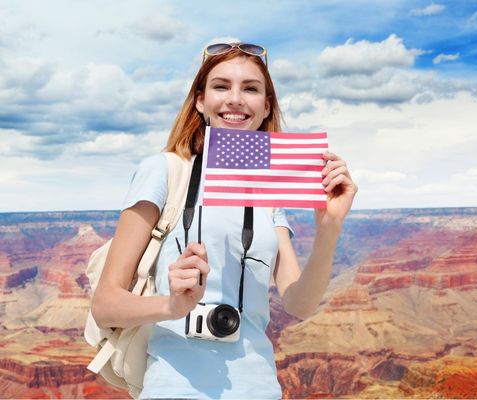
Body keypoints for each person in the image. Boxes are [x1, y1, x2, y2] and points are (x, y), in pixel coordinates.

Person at [91, 42, 358, 399]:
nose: (235, 99)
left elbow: (299, 303)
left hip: (260, 388)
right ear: (200, 100)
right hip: (172, 388)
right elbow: (105, 303)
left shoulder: (270, 188)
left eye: (250, 88)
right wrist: (171, 306)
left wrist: (330, 228)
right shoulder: (166, 171)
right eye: (221, 86)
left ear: (266, 106)